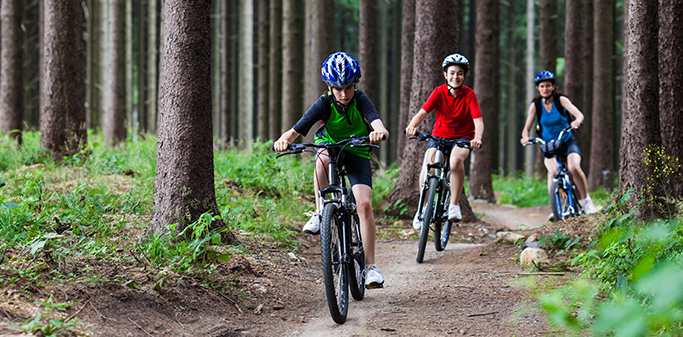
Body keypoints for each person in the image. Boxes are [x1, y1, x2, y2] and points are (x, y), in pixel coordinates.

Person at [274, 52, 389, 288]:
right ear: (329, 87)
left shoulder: (361, 100)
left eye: (348, 87)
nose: (344, 94)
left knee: (364, 204)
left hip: (357, 150)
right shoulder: (324, 102)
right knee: (321, 157)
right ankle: (320, 211)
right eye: (338, 89)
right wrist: (283, 139)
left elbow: (377, 123)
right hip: (330, 148)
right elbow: (297, 129)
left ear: (354, 85)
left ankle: (370, 267)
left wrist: (379, 132)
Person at [405, 53, 484, 229]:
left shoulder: (469, 95)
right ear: (445, 74)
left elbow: (478, 122)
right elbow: (422, 112)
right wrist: (412, 126)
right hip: (439, 136)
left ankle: (454, 206)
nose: (456, 77)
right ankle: (423, 209)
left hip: (463, 137)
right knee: (429, 166)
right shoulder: (439, 92)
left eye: (460, 73)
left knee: (455, 161)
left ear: (465, 76)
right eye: (452, 73)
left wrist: (477, 138)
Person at [519, 70, 596, 216]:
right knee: (553, 172)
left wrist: (577, 121)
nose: (545, 88)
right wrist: (524, 137)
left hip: (566, 141)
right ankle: (557, 207)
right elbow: (527, 127)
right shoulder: (536, 105)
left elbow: (579, 114)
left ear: (554, 86)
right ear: (538, 88)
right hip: (548, 145)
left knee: (573, 167)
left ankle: (586, 200)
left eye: (548, 85)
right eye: (542, 86)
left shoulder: (561, 100)